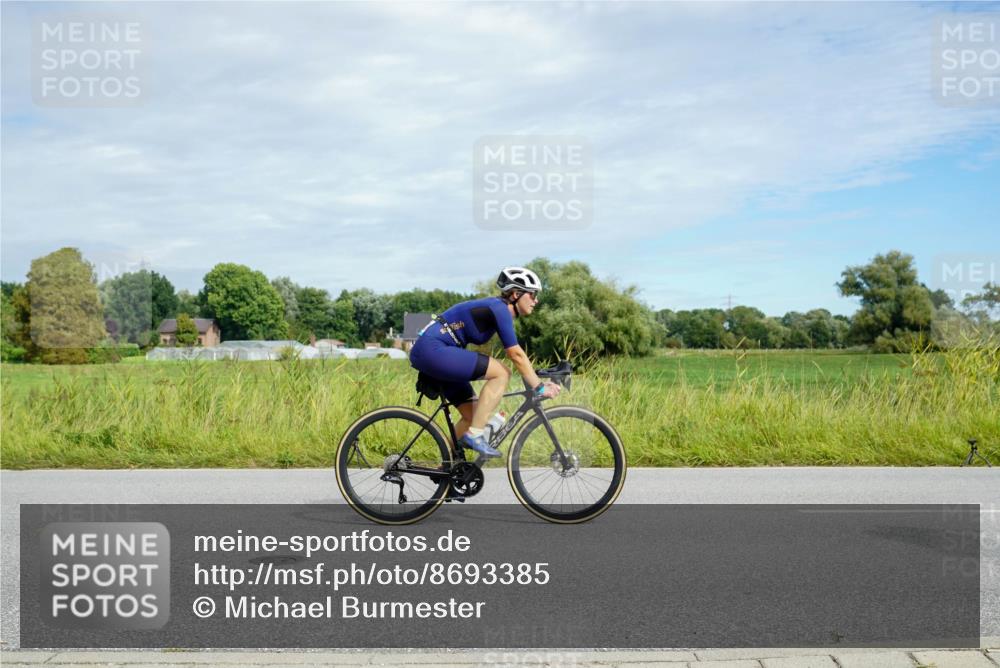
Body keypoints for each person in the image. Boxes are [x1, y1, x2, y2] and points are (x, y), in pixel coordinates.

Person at [408, 267, 562, 457]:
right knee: (502, 372)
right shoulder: (499, 308)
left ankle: (448, 468)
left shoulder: (497, 310)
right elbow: (516, 355)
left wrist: (535, 376)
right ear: (515, 294)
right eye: (532, 295)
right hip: (433, 349)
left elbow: (518, 356)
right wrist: (539, 387)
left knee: (473, 416)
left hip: (438, 351)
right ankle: (475, 435)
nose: (536, 300)